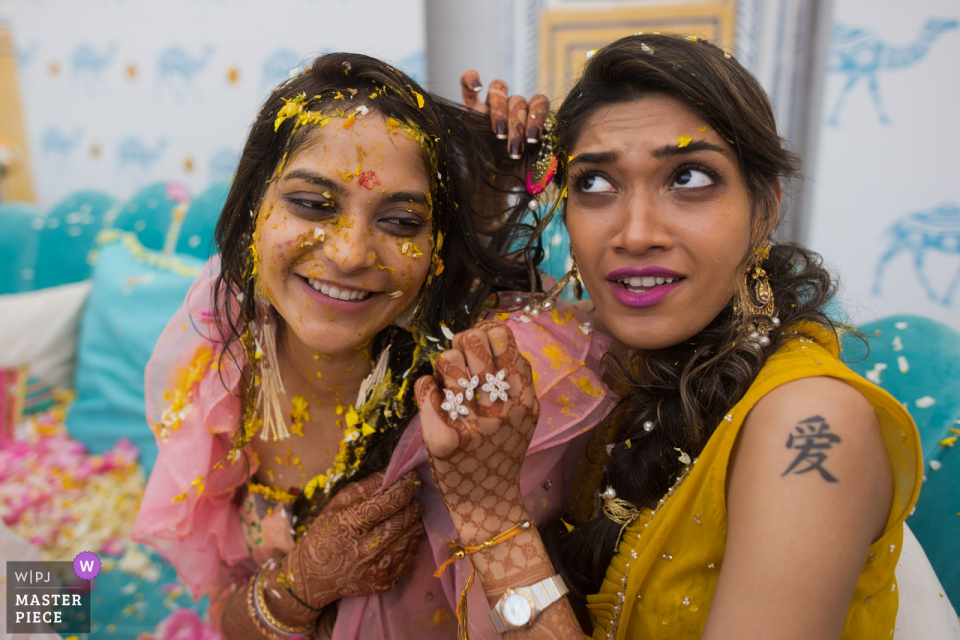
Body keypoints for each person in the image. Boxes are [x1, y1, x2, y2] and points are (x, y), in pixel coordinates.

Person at [416, 34, 923, 639]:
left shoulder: (809, 426)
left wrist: (493, 518)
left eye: (688, 177)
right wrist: (476, 209)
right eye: (596, 184)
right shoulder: (598, 358)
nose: (635, 233)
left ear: (766, 207)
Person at [132, 52, 613, 639]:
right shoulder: (224, 342)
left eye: (401, 222)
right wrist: (298, 586)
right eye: (312, 204)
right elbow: (225, 612)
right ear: (251, 209)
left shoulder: (480, 401)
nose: (349, 253)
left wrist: (486, 216)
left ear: (438, 246)